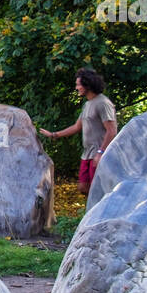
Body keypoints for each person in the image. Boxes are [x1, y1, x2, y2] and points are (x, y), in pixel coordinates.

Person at [38, 67, 117, 196]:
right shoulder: (88, 104)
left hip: (99, 152)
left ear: (88, 85)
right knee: (83, 187)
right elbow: (76, 127)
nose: (76, 88)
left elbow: (112, 131)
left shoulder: (103, 103)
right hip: (87, 153)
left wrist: (101, 152)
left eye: (78, 85)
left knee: (99, 190)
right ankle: (94, 212)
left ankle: (102, 214)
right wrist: (54, 135)